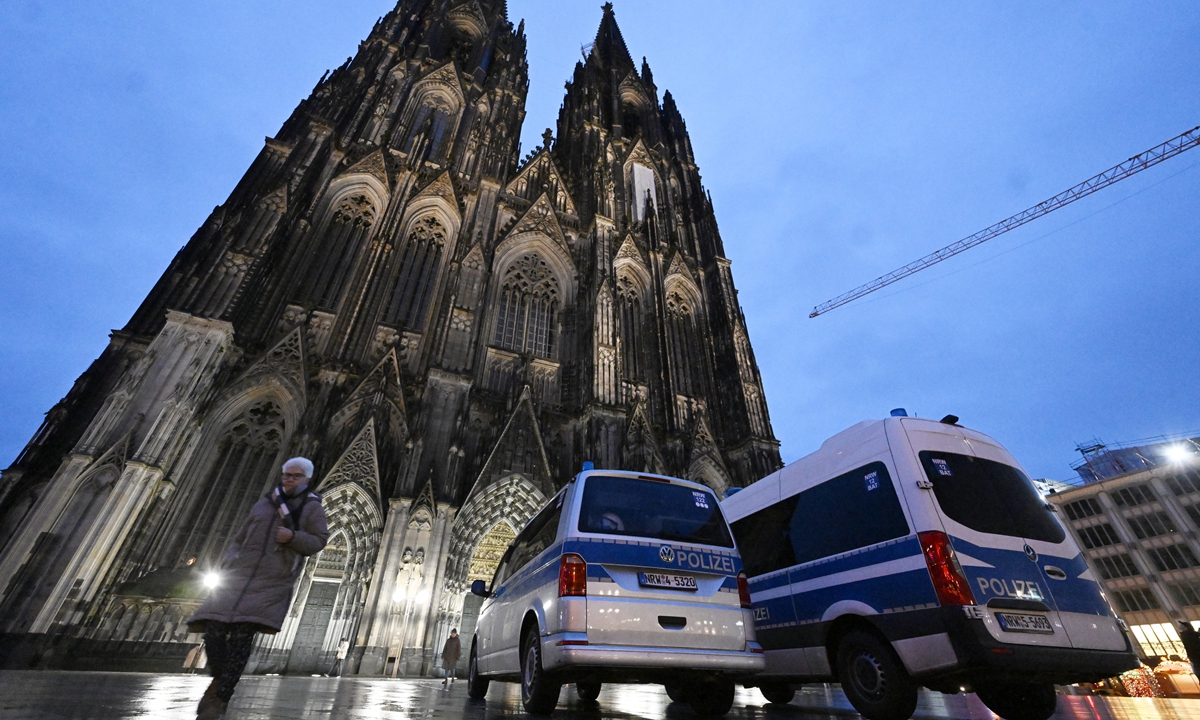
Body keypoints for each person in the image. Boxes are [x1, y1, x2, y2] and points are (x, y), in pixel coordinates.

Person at [188, 457, 328, 720]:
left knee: (242, 638)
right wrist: (231, 559)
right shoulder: (265, 503)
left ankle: (220, 698)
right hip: (239, 575)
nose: (288, 479)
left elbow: (319, 541)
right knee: (213, 632)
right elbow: (240, 536)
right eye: (286, 474)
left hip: (271, 579)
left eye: (295, 475)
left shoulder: (311, 507)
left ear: (306, 479)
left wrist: (293, 537)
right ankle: (219, 681)